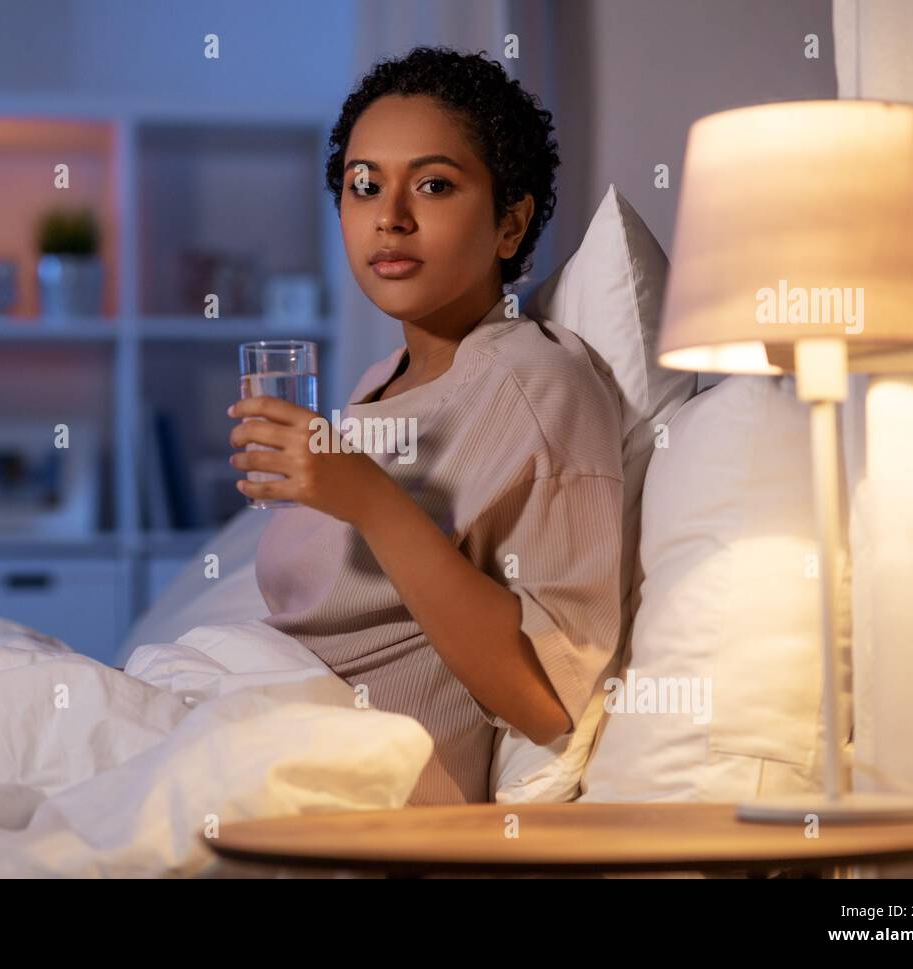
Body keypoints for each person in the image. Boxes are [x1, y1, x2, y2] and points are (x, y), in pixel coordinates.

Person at [227, 46, 624, 805]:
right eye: (363, 185)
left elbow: (548, 699)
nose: (390, 216)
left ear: (511, 224)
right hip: (256, 712)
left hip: (353, 776)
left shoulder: (539, 384)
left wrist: (370, 498)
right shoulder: (382, 381)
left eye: (434, 185)